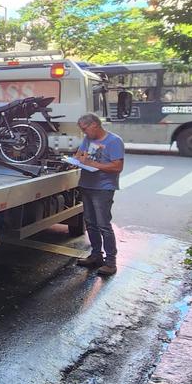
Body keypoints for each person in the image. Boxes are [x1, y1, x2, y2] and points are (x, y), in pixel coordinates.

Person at [72, 114, 125, 275]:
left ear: (95, 124)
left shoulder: (114, 141)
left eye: (85, 129)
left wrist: (93, 164)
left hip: (103, 188)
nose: (84, 133)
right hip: (86, 184)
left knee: (103, 225)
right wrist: (76, 159)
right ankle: (96, 256)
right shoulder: (88, 139)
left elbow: (117, 167)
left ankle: (111, 263)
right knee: (90, 223)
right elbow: (80, 156)